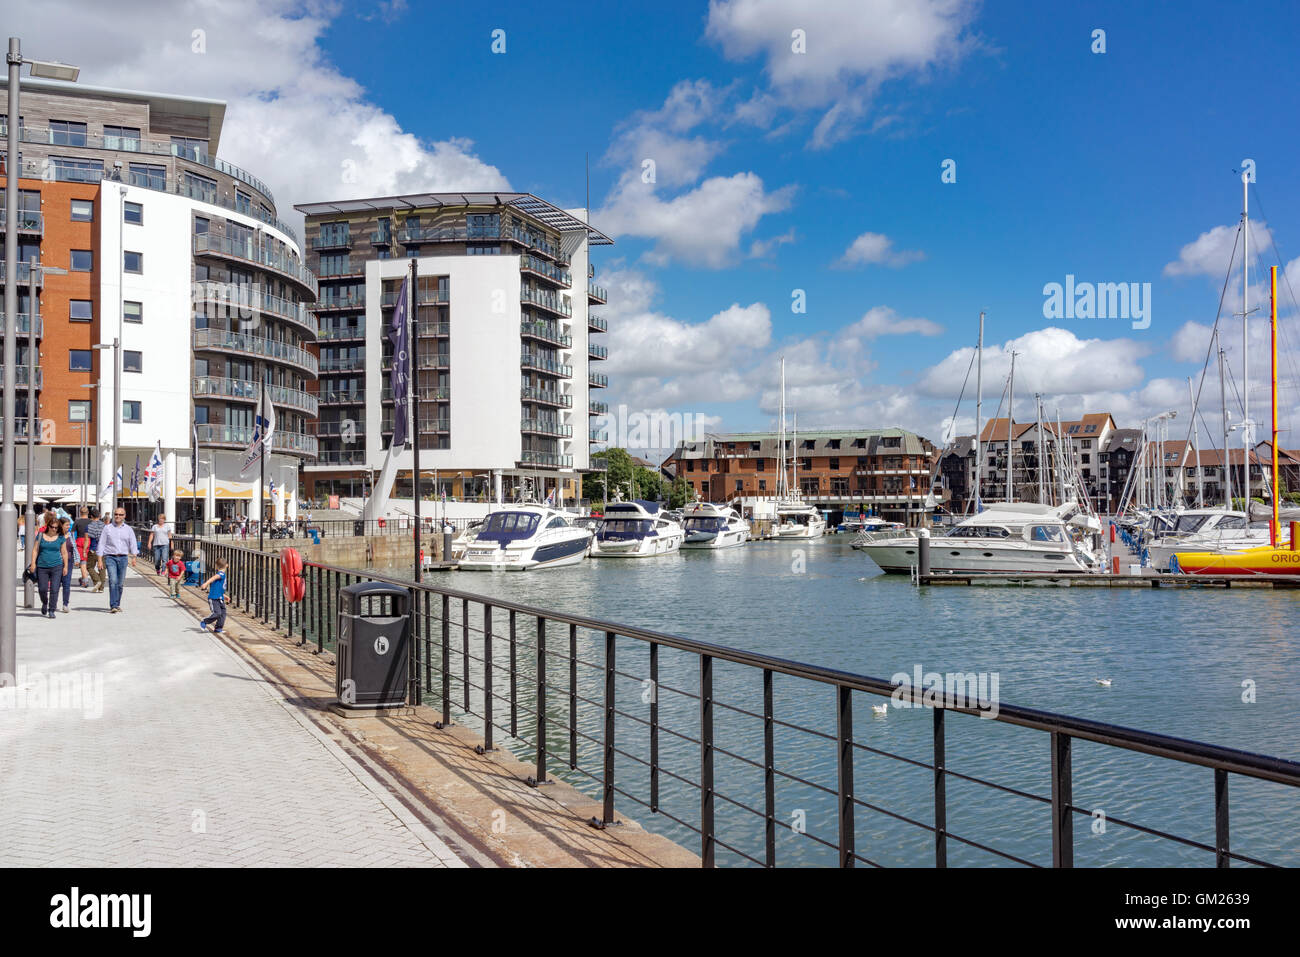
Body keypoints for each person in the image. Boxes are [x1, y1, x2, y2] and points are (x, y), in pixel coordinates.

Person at [95, 507, 138, 613]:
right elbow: (101, 544)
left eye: (120, 514)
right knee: (113, 580)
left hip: (123, 558)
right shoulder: (107, 528)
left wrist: (134, 557)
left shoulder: (128, 529)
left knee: (120, 583)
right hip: (110, 557)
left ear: (124, 516)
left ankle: (117, 603)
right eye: (116, 514)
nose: (118, 516)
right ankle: (113, 605)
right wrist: (99, 559)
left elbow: (133, 543)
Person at [27, 512, 69, 619]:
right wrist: (33, 563)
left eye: (56, 527)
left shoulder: (60, 537)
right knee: (42, 589)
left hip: (57, 566)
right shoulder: (41, 536)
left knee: (55, 589)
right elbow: (35, 550)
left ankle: (51, 610)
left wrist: (66, 566)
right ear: (48, 526)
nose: (54, 529)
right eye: (52, 527)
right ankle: (45, 603)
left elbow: (64, 553)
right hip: (42, 566)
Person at [198, 557, 228, 634]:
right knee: (217, 613)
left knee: (223, 613)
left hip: (220, 597)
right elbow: (213, 578)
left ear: (216, 566)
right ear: (227, 565)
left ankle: (218, 628)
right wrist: (206, 583)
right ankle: (204, 621)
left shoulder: (222, 574)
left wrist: (224, 595)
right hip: (214, 598)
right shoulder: (221, 573)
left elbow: (219, 587)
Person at [56, 517, 75, 613]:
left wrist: (77, 559)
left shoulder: (70, 535)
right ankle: (53, 603)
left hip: (69, 561)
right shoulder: (56, 535)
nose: (69, 526)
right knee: (56, 584)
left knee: (66, 583)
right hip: (57, 562)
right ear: (61, 525)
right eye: (67, 525)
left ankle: (65, 604)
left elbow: (74, 547)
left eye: (69, 525)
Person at [85, 506, 107, 593]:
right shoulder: (105, 526)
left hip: (93, 549)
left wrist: (84, 551)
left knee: (89, 567)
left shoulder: (89, 526)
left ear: (91, 516)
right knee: (102, 568)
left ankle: (97, 580)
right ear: (100, 515)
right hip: (103, 550)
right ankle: (101, 588)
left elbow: (87, 539)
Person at [73, 506, 92, 588]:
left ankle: (85, 580)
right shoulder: (91, 522)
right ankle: (84, 578)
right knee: (88, 562)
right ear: (88, 513)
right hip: (90, 541)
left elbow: (72, 532)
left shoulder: (77, 521)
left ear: (80, 513)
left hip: (80, 541)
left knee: (83, 563)